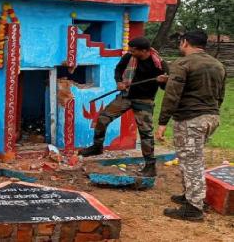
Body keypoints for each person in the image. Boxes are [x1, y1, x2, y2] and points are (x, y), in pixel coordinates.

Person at [156, 30, 226, 221]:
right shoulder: (218, 64)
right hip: (211, 117)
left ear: (185, 42)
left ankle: (194, 208)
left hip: (191, 119)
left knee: (191, 162)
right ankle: (190, 196)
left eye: (180, 42)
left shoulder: (182, 63)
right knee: (192, 158)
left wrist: (162, 123)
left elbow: (172, 96)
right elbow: (220, 94)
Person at [79, 37, 169, 177]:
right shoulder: (129, 57)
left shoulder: (159, 64)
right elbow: (118, 69)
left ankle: (150, 166)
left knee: (145, 133)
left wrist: (163, 81)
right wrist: (119, 82)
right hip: (125, 96)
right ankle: (97, 147)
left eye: (133, 50)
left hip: (144, 100)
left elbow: (166, 86)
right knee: (103, 118)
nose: (130, 52)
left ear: (144, 51)